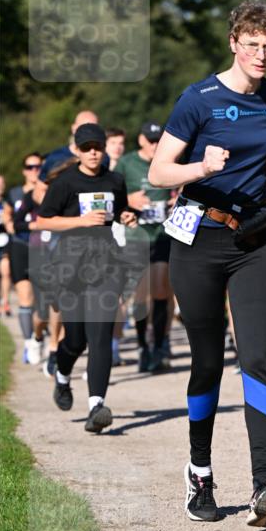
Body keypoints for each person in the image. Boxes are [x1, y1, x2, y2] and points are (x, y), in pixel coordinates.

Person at [148, 0, 266, 527]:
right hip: (198, 242)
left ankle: (264, 485)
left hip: (253, 242)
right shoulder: (198, 99)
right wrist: (198, 167)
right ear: (234, 42)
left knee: (257, 357)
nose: (261, 54)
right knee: (207, 362)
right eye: (251, 44)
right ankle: (200, 472)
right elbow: (160, 172)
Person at [35, 123, 137, 433]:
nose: (93, 151)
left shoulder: (115, 180)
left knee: (100, 334)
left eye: (98, 146)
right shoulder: (65, 183)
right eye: (87, 146)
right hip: (71, 266)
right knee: (76, 339)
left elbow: (120, 210)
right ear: (77, 150)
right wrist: (80, 221)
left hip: (106, 264)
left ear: (104, 149)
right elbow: (42, 221)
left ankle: (97, 405)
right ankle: (62, 378)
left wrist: (127, 215)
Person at [115, 121, 174, 372]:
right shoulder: (127, 163)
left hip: (163, 234)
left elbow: (184, 187)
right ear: (140, 140)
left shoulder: (169, 160)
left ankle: (159, 344)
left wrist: (177, 199)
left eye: (158, 140)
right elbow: (110, 195)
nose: (154, 145)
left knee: (161, 288)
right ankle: (142, 347)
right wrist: (129, 201)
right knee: (141, 294)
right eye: (150, 140)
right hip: (136, 237)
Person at [6, 154, 46, 363]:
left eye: (38, 166)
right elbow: (9, 219)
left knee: (43, 300)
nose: (34, 170)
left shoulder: (47, 191)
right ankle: (29, 342)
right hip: (21, 245)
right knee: (25, 297)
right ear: (24, 170)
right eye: (30, 167)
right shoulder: (14, 193)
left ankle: (40, 336)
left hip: (43, 247)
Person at [0, 176, 12, 316]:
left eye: (1, 183)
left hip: (5, 241)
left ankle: (5, 302)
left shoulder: (7, 201)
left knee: (6, 273)